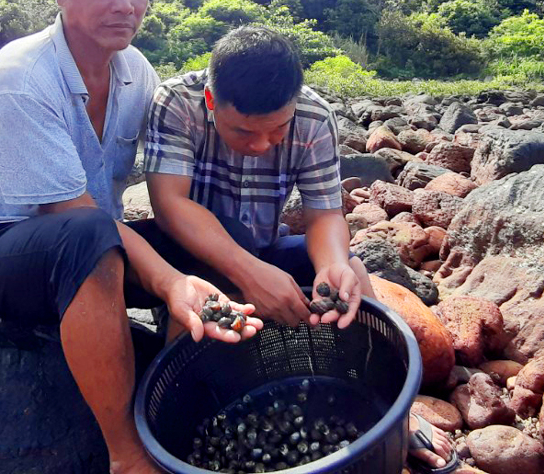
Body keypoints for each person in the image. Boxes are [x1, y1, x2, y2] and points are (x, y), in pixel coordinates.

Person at [0, 0, 261, 474]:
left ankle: (175, 403)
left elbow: (190, 129)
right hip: (2, 255)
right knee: (90, 232)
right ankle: (128, 453)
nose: (126, 5)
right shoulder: (20, 78)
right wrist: (170, 281)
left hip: (99, 247)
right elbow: (73, 214)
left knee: (223, 237)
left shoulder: (135, 71)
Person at [137, 26, 456, 472]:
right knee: (230, 245)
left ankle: (398, 413)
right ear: (211, 100)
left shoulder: (312, 116)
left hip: (264, 249)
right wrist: (248, 274)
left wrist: (331, 265)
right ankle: (191, 415)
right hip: (195, 265)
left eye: (277, 130)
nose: (260, 145)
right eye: (243, 131)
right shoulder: (177, 102)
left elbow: (324, 215)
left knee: (351, 275)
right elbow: (170, 204)